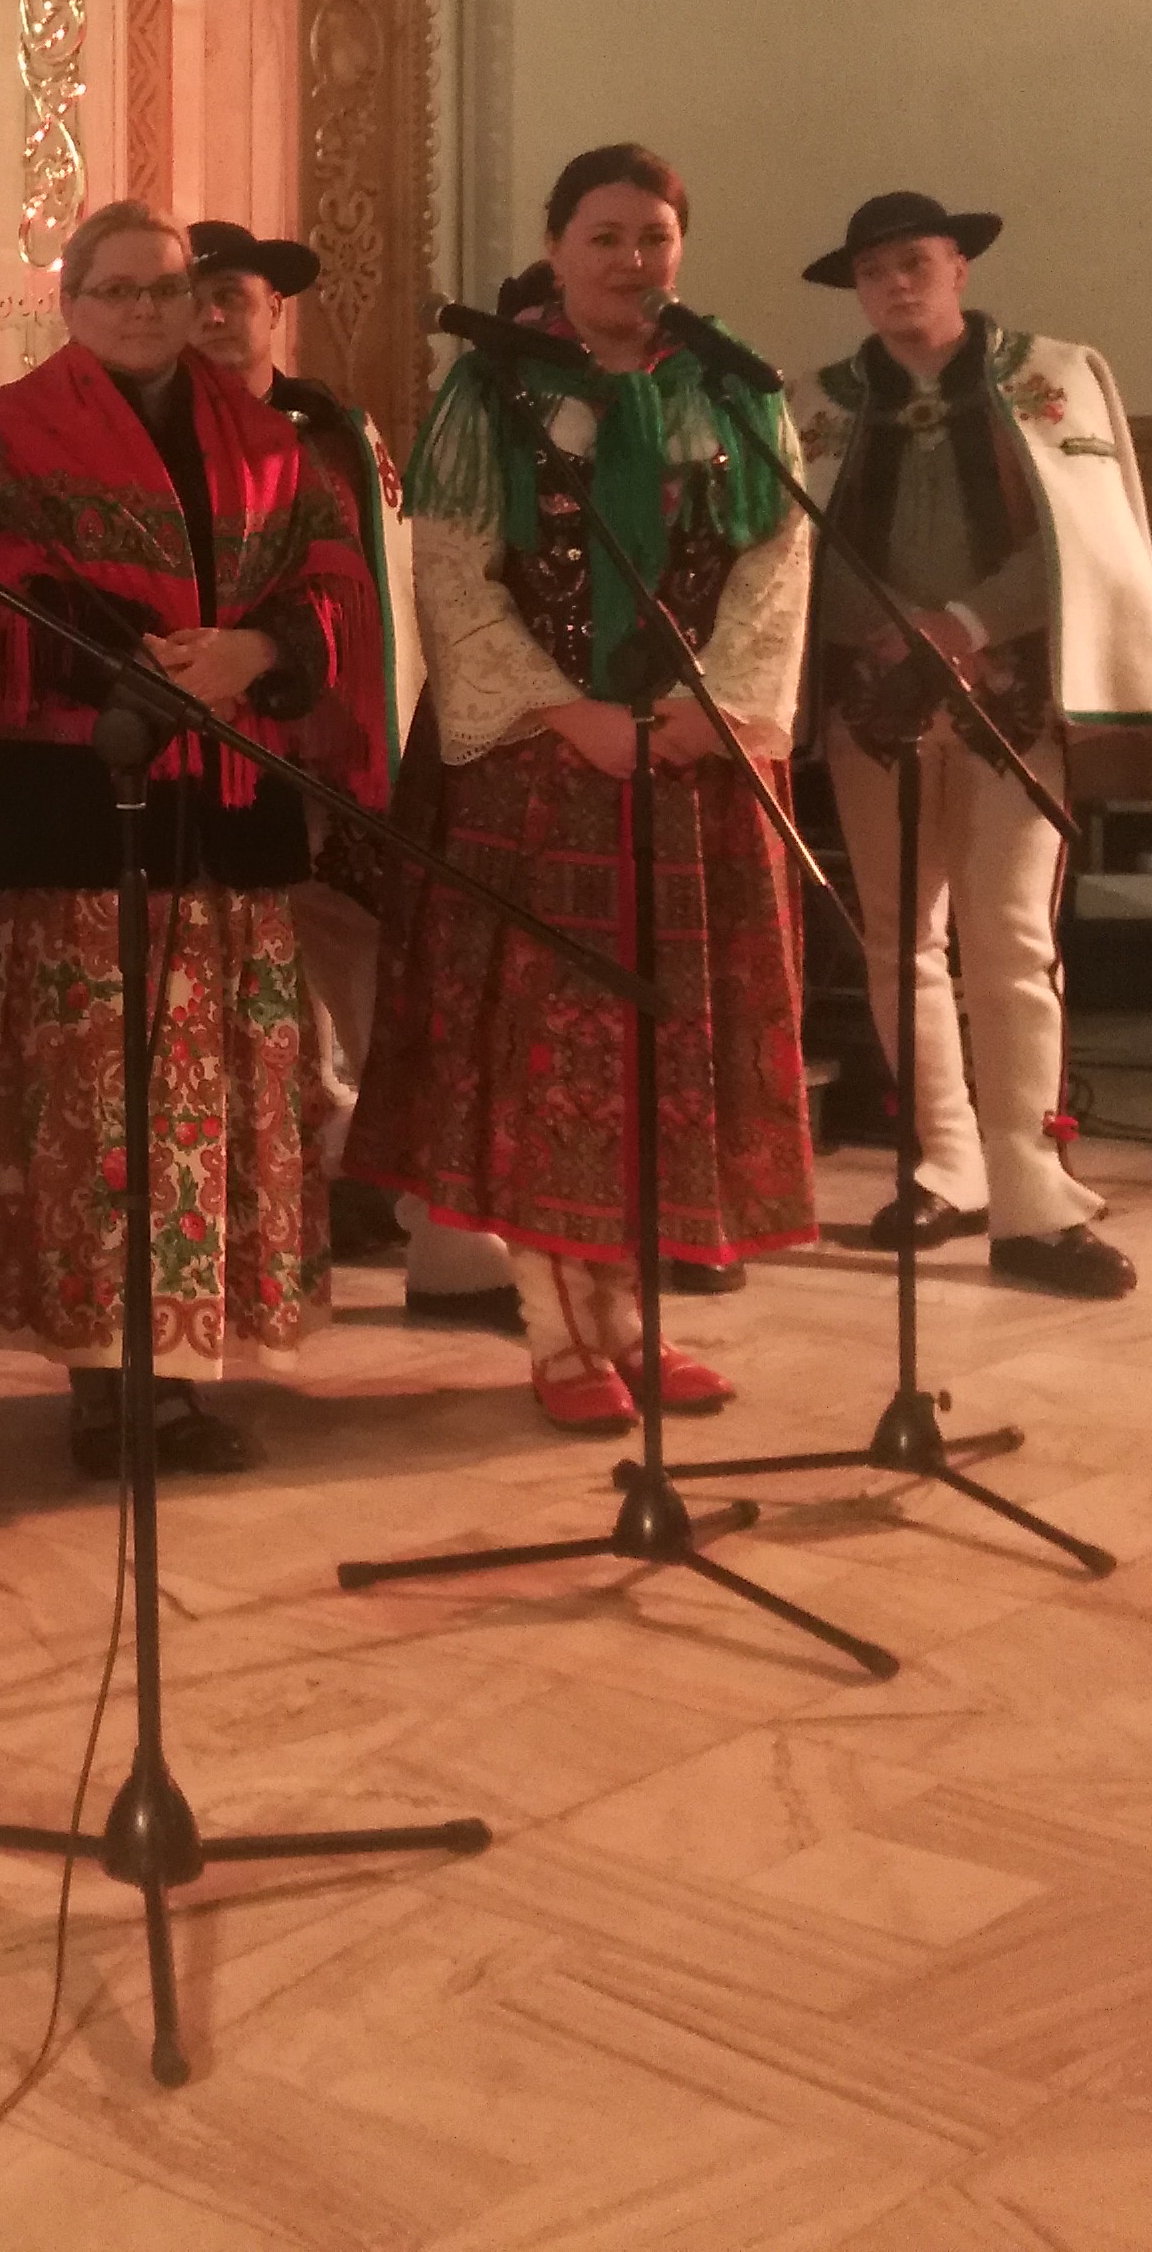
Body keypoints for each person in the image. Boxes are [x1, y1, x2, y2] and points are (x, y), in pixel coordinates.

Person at [352, 144, 819, 1431]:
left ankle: (638, 1324)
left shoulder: (731, 388)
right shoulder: (490, 389)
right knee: (550, 1058)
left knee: (665, 1053)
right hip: (538, 766)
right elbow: (451, 573)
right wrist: (570, 714)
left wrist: (708, 712)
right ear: (554, 248)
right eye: (603, 237)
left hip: (693, 761)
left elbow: (777, 563)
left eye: (652, 237)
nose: (629, 260)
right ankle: (562, 1335)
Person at [0, 202, 382, 1480]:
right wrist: (145, 661)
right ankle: (102, 1384)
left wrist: (255, 652)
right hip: (70, 817)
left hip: (224, 822)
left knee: (208, 1108)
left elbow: (333, 576)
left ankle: (180, 1372)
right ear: (67, 304)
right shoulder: (0, 432)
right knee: (94, 1115)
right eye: (116, 290)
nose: (143, 311)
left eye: (165, 291)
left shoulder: (270, 441)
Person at [800, 189, 1152, 1301]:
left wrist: (962, 627)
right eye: (872, 271)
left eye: (913, 263)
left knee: (1011, 938)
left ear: (958, 268)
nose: (894, 286)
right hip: (873, 697)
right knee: (896, 939)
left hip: (1006, 695)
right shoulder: (817, 405)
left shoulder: (1052, 376)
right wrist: (884, 635)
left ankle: (1032, 1195)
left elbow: (1082, 542)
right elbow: (792, 552)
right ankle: (945, 1165)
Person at [182, 222, 523, 1328]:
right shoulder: (147, 431)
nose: (212, 315)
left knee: (382, 974)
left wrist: (377, 735)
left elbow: (384, 587)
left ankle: (440, 1233)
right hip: (206, 743)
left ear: (275, 310)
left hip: (336, 744)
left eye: (233, 295)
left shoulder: (332, 429)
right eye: (194, 296)